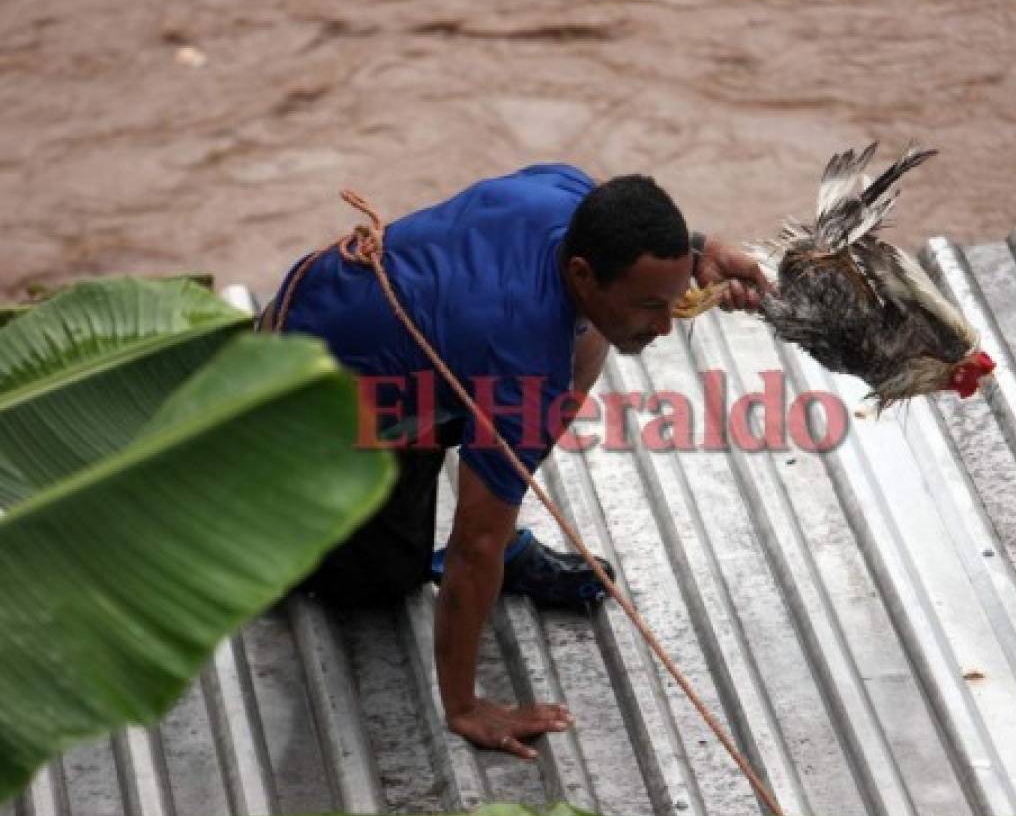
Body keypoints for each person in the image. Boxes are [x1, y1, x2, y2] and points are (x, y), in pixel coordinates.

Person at [262, 164, 767, 758]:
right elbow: (473, 539)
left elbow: (618, 247)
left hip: (346, 314)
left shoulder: (571, 194)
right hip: (309, 404)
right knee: (380, 586)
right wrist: (465, 706)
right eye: (651, 306)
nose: (665, 325)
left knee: (586, 337)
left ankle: (498, 502)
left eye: (673, 296)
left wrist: (702, 251)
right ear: (582, 272)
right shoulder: (523, 362)